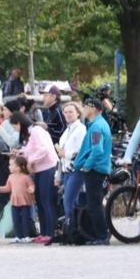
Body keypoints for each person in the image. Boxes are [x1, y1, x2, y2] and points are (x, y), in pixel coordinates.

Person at [11, 111, 59, 244]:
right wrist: (20, 153)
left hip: (48, 168)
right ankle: (44, 232)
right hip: (39, 170)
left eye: (14, 127)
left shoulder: (36, 130)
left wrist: (31, 161)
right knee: (41, 202)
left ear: (19, 123)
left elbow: (44, 150)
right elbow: (31, 150)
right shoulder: (30, 133)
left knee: (47, 201)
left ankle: (50, 233)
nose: (15, 130)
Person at [74, 97, 113, 245]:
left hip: (95, 170)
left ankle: (102, 237)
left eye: (86, 107)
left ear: (93, 109)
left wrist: (87, 166)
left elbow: (97, 150)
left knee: (94, 205)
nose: (83, 109)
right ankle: (99, 236)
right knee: (95, 204)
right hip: (99, 169)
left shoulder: (96, 127)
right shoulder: (97, 124)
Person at [56, 101, 87, 235]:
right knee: (70, 201)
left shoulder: (81, 129)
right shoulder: (66, 131)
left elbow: (82, 151)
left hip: (76, 170)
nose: (68, 114)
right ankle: (73, 230)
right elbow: (61, 155)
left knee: (69, 201)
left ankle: (72, 231)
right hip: (66, 170)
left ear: (78, 113)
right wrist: (58, 175)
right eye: (65, 112)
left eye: (71, 112)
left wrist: (66, 154)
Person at [0, 155, 36, 243]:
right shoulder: (10, 177)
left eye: (12, 165)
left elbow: (31, 185)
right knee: (15, 220)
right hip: (14, 202)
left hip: (25, 202)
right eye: (9, 165)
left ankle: (26, 236)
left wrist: (31, 189)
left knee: (25, 219)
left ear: (20, 167)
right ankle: (18, 236)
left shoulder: (26, 177)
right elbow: (8, 188)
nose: (9, 167)